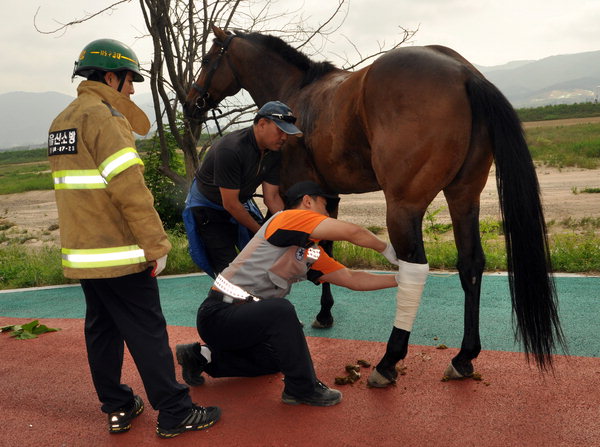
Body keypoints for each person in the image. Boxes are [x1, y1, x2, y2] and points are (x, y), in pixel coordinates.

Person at [48, 38, 220, 439]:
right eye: (129, 81)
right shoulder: (103, 118)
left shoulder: (62, 120)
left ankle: (118, 406)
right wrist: (157, 246)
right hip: (119, 251)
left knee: (102, 330)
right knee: (146, 330)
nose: (133, 89)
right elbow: (130, 189)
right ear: (110, 76)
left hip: (85, 254)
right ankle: (175, 412)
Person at [176, 180, 400, 406]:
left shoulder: (309, 251)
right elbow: (352, 232)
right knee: (281, 310)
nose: (328, 214)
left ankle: (201, 356)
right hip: (220, 314)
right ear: (307, 201)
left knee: (277, 358)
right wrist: (388, 250)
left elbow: (351, 279)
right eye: (325, 206)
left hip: (247, 324)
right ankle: (301, 388)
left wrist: (400, 280)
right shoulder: (287, 218)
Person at [183, 100, 302, 277]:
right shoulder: (231, 149)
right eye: (280, 130)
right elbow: (230, 204)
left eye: (287, 132)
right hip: (209, 208)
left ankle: (259, 301)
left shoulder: (274, 152)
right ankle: (222, 302)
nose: (284, 137)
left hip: (239, 202)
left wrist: (292, 229)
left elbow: (272, 198)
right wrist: (262, 232)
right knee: (228, 271)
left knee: (263, 256)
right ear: (262, 124)